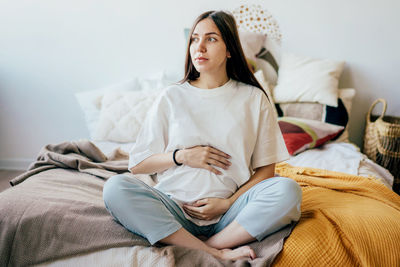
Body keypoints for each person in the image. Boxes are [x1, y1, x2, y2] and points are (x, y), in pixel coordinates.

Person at [103, 10, 302, 261]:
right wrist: (183, 156)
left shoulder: (254, 99)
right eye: (194, 39)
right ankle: (211, 251)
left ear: (230, 49)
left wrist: (228, 203)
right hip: (174, 209)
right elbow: (138, 164)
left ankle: (209, 244)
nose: (200, 47)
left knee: (288, 191)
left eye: (211, 39)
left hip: (231, 215)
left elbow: (266, 172)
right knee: (115, 188)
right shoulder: (171, 97)